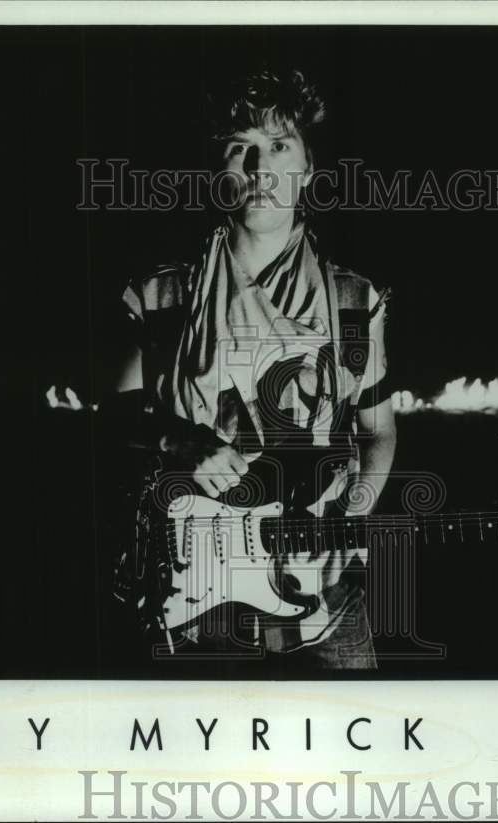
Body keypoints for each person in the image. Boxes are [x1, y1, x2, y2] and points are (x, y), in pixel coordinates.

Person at [49, 67, 396, 670]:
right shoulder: (162, 297)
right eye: (242, 148)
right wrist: (180, 439)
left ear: (307, 169)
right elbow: (116, 419)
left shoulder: (353, 301)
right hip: (194, 600)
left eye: (280, 146)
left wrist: (345, 520)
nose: (261, 169)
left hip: (328, 601)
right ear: (220, 172)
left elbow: (378, 431)